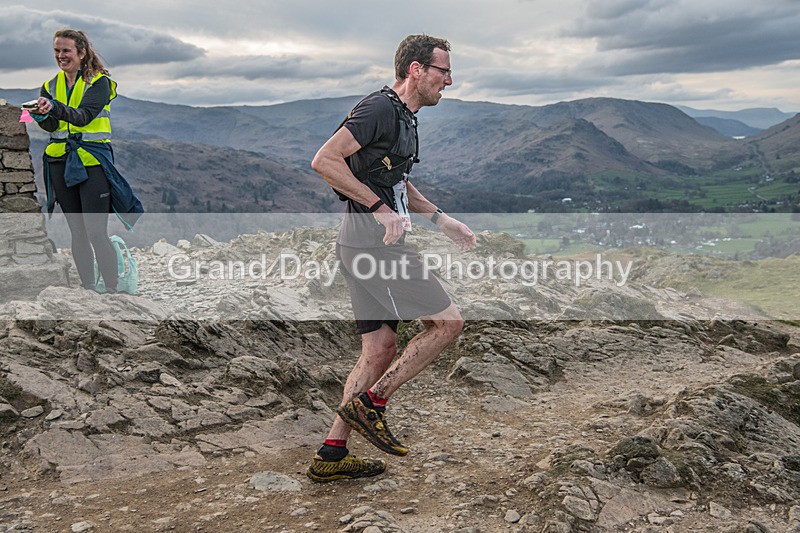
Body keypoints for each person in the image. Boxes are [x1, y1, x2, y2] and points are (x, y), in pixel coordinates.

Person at [307, 34, 477, 482]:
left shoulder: (405, 118)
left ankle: (332, 453)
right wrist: (378, 209)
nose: (450, 80)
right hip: (373, 246)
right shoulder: (379, 108)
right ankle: (372, 404)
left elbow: (397, 183)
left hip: (358, 245)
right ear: (417, 69)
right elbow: (324, 160)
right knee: (448, 323)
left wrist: (442, 219)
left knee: (379, 349)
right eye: (444, 71)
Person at [30, 29, 142, 293]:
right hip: (60, 162)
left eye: (66, 50)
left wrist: (54, 107)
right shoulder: (50, 85)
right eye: (57, 50)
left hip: (91, 163)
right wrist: (42, 115)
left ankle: (113, 291)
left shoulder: (99, 82)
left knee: (95, 231)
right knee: (77, 232)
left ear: (81, 52)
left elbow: (83, 116)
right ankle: (89, 288)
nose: (60, 55)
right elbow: (53, 126)